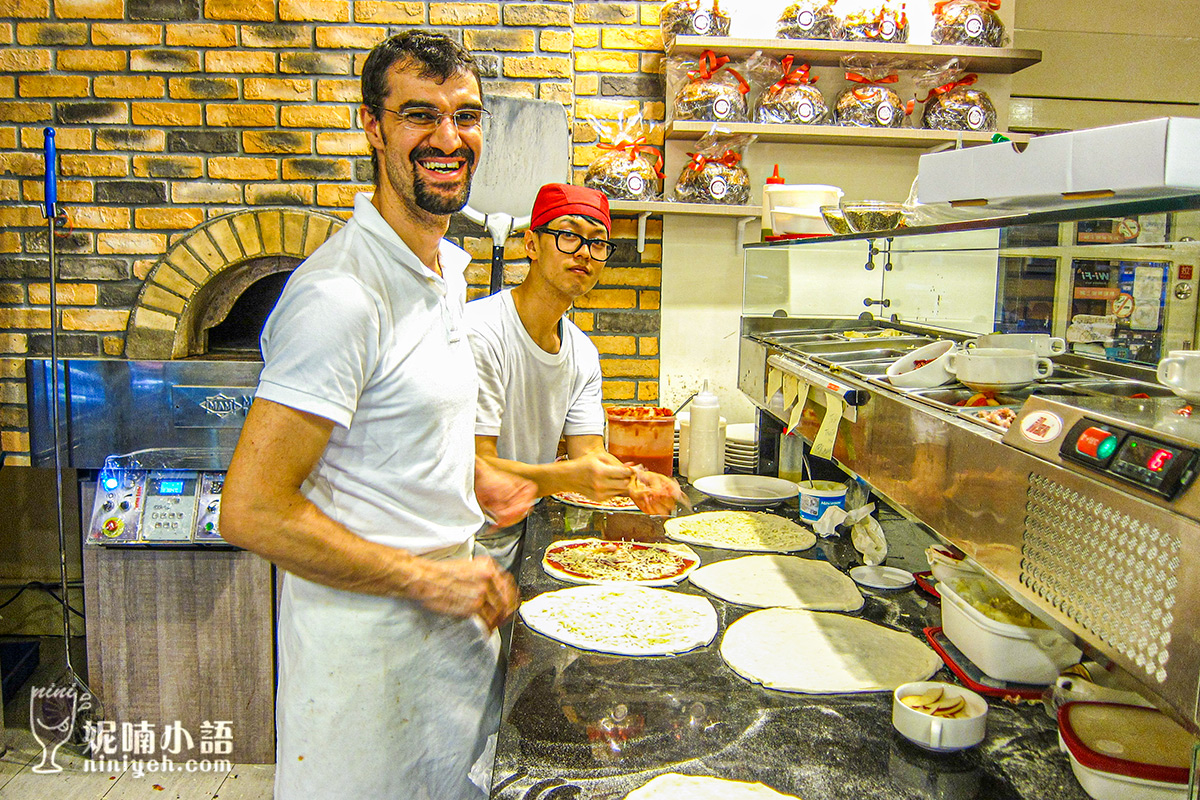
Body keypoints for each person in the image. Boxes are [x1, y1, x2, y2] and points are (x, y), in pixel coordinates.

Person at [219, 31, 535, 800]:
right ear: (372, 125)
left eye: (466, 116)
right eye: (419, 115)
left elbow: (396, 433)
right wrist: (428, 580)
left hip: (445, 657)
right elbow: (252, 510)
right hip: (365, 678)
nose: (447, 138)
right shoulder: (340, 295)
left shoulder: (438, 273)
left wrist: (474, 478)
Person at [466, 183, 683, 569]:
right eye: (568, 235)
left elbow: (588, 452)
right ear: (531, 244)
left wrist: (632, 480)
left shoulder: (582, 353)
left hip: (520, 541)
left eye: (598, 242)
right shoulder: (480, 332)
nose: (584, 251)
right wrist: (570, 476)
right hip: (459, 550)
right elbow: (476, 466)